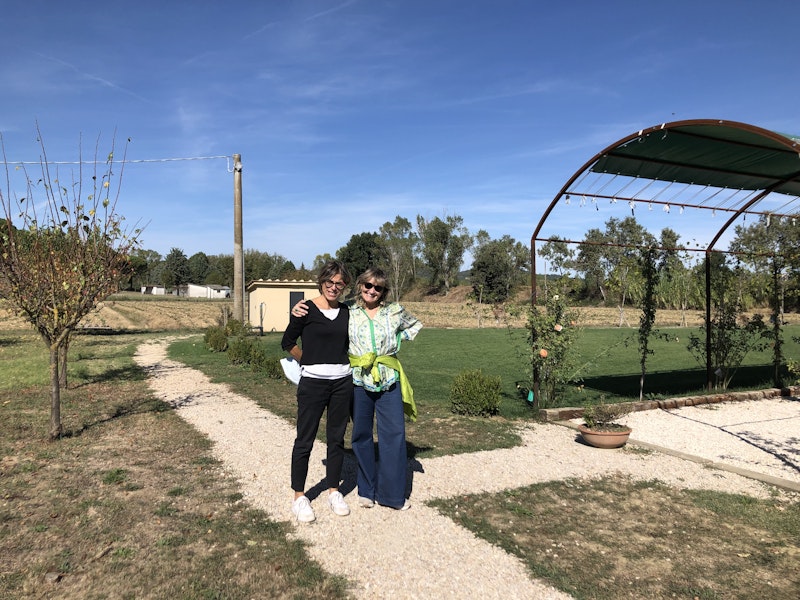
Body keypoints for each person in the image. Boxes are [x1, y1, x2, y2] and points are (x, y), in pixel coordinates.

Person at [293, 266, 422, 510]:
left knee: (393, 436)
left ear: (383, 292)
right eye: (368, 285)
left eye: (378, 288)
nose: (372, 291)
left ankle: (391, 495)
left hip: (388, 377)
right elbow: (322, 315)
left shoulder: (394, 311)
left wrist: (395, 340)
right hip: (359, 381)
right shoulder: (349, 310)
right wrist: (298, 308)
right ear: (360, 286)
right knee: (361, 436)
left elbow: (414, 326)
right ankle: (366, 489)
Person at [281, 260, 353, 523]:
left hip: (342, 383)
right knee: (305, 439)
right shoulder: (305, 310)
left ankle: (334, 490)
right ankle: (299, 496)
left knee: (336, 439)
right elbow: (287, 342)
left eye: (339, 283)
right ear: (321, 282)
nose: (334, 287)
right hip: (313, 384)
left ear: (345, 286)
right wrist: (306, 358)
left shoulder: (347, 312)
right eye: (329, 282)